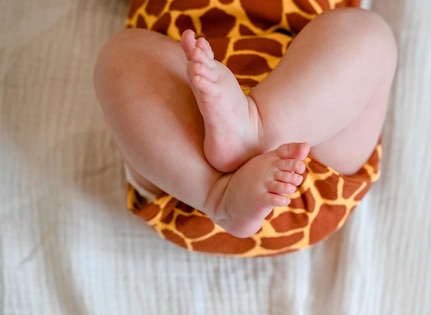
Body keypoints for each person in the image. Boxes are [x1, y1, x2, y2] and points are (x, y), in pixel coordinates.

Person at [93, 1, 397, 256]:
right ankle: (221, 195)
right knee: (121, 54)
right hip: (184, 168)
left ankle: (257, 129)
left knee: (368, 35)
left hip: (308, 138)